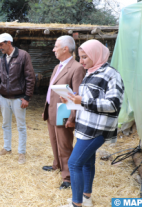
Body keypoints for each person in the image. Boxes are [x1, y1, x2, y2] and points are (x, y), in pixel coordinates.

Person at [60, 39, 124, 207]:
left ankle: (76, 204)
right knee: (87, 162)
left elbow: (113, 104)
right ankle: (86, 198)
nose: (81, 62)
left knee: (74, 163)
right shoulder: (91, 72)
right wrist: (70, 100)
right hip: (86, 127)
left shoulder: (111, 74)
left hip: (97, 129)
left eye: (84, 58)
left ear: (96, 55)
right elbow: (86, 101)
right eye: (80, 57)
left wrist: (82, 100)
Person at [42, 36, 86, 190]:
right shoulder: (57, 66)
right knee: (54, 141)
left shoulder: (76, 68)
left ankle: (67, 177)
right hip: (53, 109)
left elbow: (76, 94)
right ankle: (57, 165)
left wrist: (72, 117)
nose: (53, 49)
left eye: (56, 46)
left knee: (65, 145)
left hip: (64, 111)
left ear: (65, 49)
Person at [0, 33, 35, 165]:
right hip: (4, 97)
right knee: (6, 124)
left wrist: (27, 97)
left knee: (21, 126)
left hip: (18, 98)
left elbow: (30, 77)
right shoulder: (1, 60)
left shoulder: (23, 55)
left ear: (8, 43)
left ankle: (21, 152)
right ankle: (7, 148)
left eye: (1, 44)